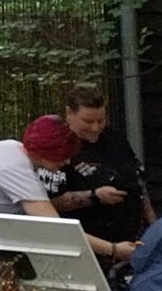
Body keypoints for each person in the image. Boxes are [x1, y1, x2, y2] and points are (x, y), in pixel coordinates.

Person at [0, 116, 137, 263]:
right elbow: (57, 229)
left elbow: (46, 206)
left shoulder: (9, 149)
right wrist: (113, 249)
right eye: (63, 155)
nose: (67, 161)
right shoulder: (14, 168)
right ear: (47, 151)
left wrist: (93, 196)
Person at [48, 85, 150, 246]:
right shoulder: (57, 148)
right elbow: (50, 202)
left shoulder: (114, 139)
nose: (95, 127)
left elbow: (139, 184)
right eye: (87, 121)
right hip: (87, 241)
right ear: (69, 114)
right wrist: (94, 196)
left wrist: (153, 224)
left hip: (131, 237)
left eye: (101, 120)